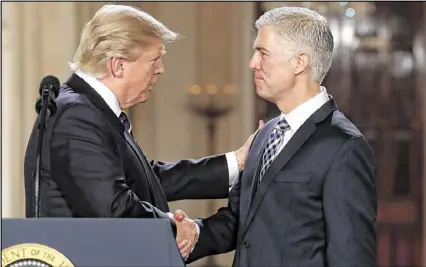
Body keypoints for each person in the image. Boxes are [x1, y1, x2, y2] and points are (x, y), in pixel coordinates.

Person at [23, 4, 261, 257]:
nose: (161, 69)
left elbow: (145, 179)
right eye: (154, 59)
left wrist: (235, 163)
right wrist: (174, 228)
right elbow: (114, 208)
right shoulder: (77, 116)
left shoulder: (91, 109)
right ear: (119, 66)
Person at [175, 6, 377, 266]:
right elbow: (240, 222)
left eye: (263, 53)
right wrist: (193, 234)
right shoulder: (265, 134)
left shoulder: (345, 147)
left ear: (299, 62)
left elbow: (351, 256)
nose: (252, 63)